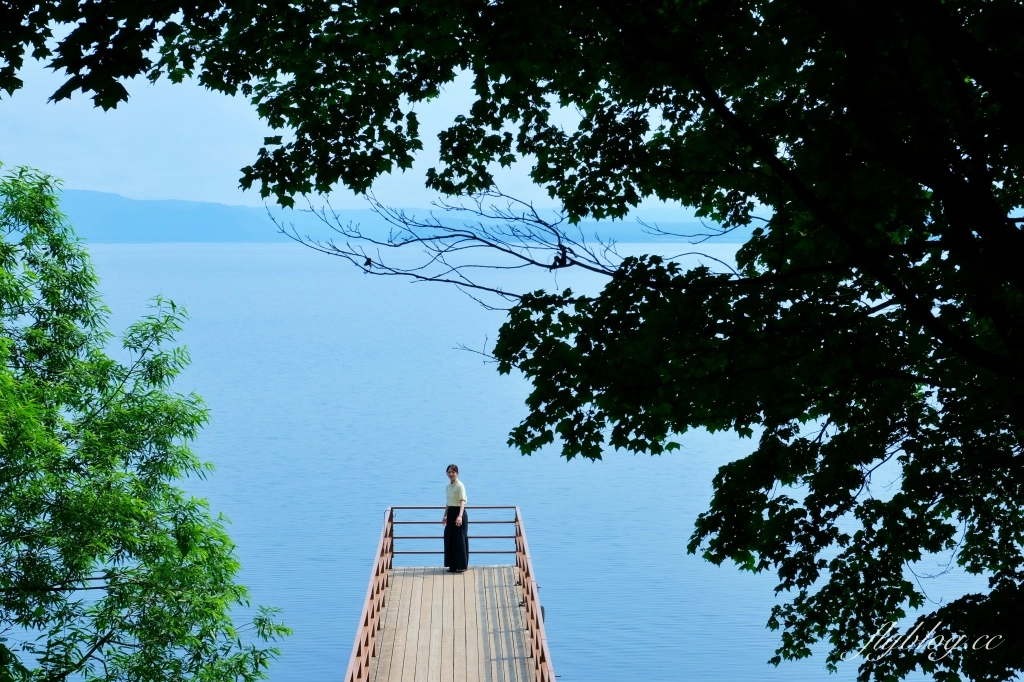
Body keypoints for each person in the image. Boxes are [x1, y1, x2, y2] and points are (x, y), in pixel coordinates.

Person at [441, 464, 469, 573]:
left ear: (457, 473)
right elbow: (448, 502)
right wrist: (445, 515)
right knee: (449, 538)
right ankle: (452, 565)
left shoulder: (460, 485)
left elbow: (462, 501)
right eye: (449, 472)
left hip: (459, 512)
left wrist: (460, 516)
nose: (451, 474)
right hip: (451, 512)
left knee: (459, 539)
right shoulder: (448, 486)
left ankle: (462, 565)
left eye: (453, 472)